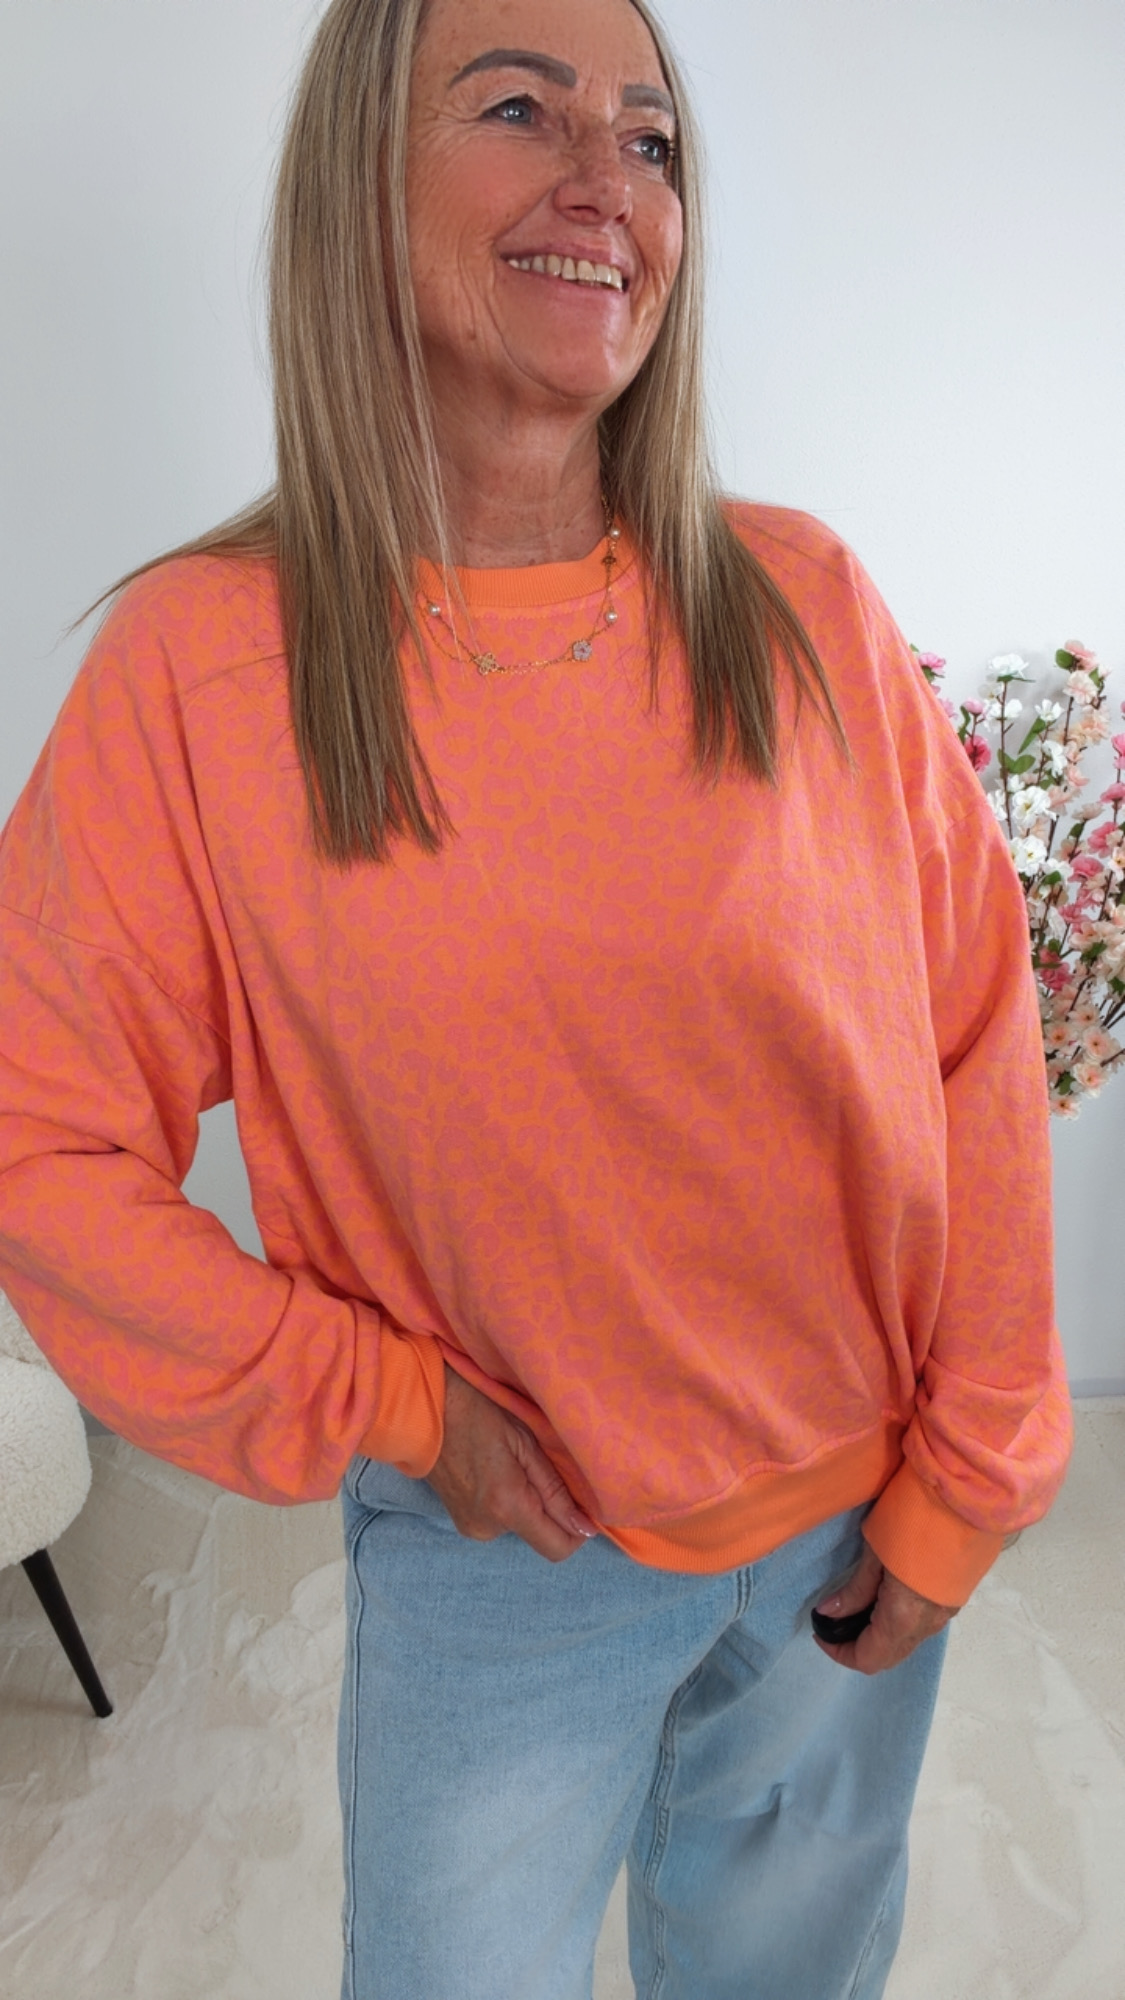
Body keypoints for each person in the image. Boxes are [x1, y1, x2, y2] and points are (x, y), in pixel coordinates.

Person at [0, 0, 1071, 1994]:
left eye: (648, 140)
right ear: (358, 183)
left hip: (851, 1533)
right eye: (518, 107)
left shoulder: (803, 604)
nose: (605, 182)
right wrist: (387, 1402)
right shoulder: (202, 669)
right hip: (503, 1569)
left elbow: (967, 1035)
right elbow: (38, 1145)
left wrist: (976, 1462)